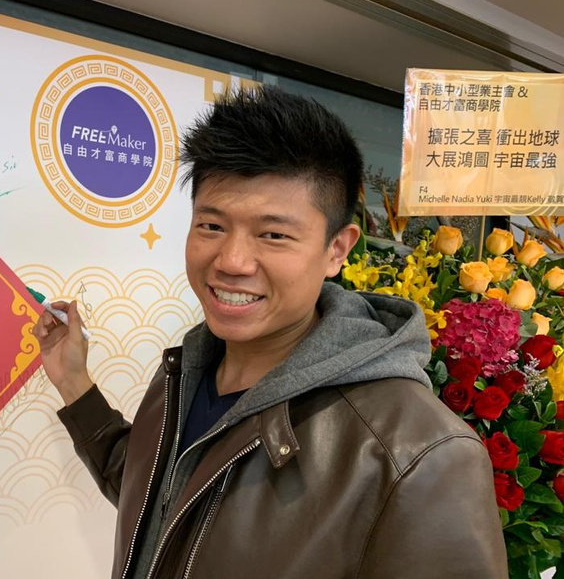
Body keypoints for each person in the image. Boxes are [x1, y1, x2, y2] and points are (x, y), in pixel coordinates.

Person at [33, 86, 508, 579]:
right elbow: (162, 509)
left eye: (274, 234)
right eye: (212, 226)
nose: (232, 261)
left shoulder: (416, 452)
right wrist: (73, 381)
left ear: (337, 249)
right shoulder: (185, 371)